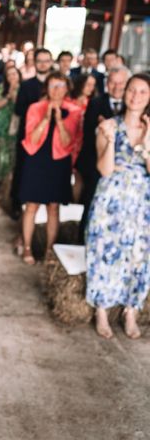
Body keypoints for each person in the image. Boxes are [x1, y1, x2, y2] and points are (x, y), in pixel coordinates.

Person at [85, 73, 150, 340]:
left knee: (138, 254)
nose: (136, 96)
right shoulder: (108, 125)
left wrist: (146, 144)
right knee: (104, 250)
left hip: (140, 202)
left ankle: (130, 310)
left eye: (143, 92)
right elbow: (105, 169)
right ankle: (102, 309)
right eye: (131, 90)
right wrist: (110, 140)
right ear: (124, 93)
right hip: (110, 200)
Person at [19, 72, 83, 265]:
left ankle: (49, 250)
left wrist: (60, 121)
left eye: (61, 86)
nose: (57, 90)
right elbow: (32, 139)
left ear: (67, 89)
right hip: (37, 159)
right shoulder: (34, 108)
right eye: (53, 85)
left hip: (58, 162)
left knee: (53, 207)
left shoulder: (74, 110)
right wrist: (47, 118)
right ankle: (27, 247)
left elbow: (68, 142)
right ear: (46, 87)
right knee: (31, 205)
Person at [76, 66, 131, 242]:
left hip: (124, 171)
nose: (117, 87)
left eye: (121, 83)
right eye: (113, 82)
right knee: (91, 205)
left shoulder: (135, 107)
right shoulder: (96, 102)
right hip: (97, 166)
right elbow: (87, 135)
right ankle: (82, 242)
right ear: (107, 83)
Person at [10, 48, 54, 222]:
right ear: (34, 63)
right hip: (28, 136)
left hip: (50, 138)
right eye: (40, 60)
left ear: (51, 62)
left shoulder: (57, 84)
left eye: (46, 60)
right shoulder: (27, 85)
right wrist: (38, 106)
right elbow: (19, 110)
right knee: (21, 169)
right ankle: (16, 205)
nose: (43, 64)